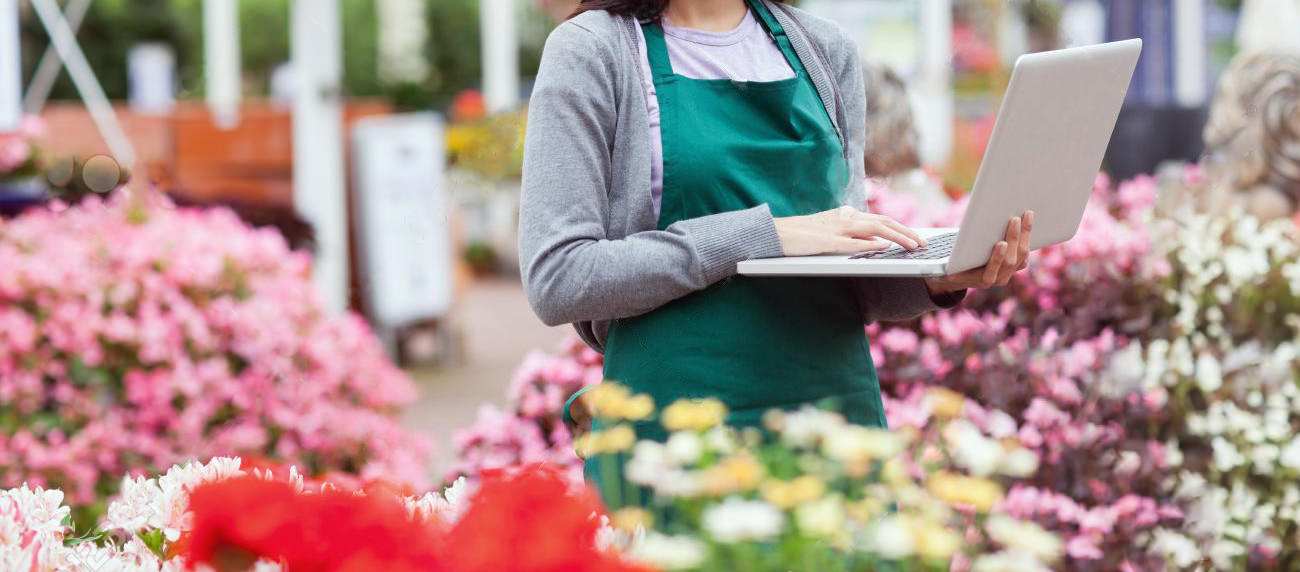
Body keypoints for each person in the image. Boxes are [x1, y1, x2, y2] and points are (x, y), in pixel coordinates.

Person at [518, 0, 1034, 504]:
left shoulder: (823, 49)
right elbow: (559, 274)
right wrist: (763, 236)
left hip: (833, 424)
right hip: (677, 433)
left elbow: (840, 259)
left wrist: (935, 277)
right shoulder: (593, 51)